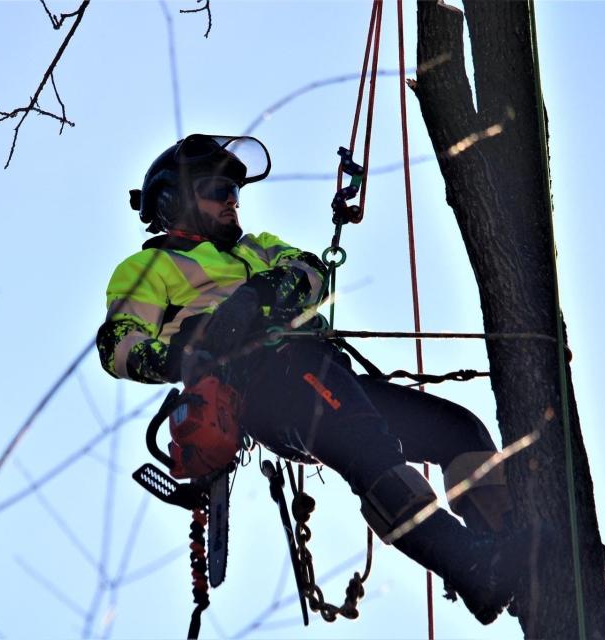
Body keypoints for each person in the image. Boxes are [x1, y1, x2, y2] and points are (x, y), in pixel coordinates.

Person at [96, 134, 521, 624]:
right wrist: (188, 355)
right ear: (175, 202)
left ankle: (512, 542)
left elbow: (310, 271)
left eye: (235, 192)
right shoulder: (150, 267)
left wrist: (260, 293)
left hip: (320, 370)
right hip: (267, 385)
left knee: (456, 431)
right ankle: (467, 562)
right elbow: (119, 344)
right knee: (370, 451)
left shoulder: (258, 247)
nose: (232, 201)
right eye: (218, 190)